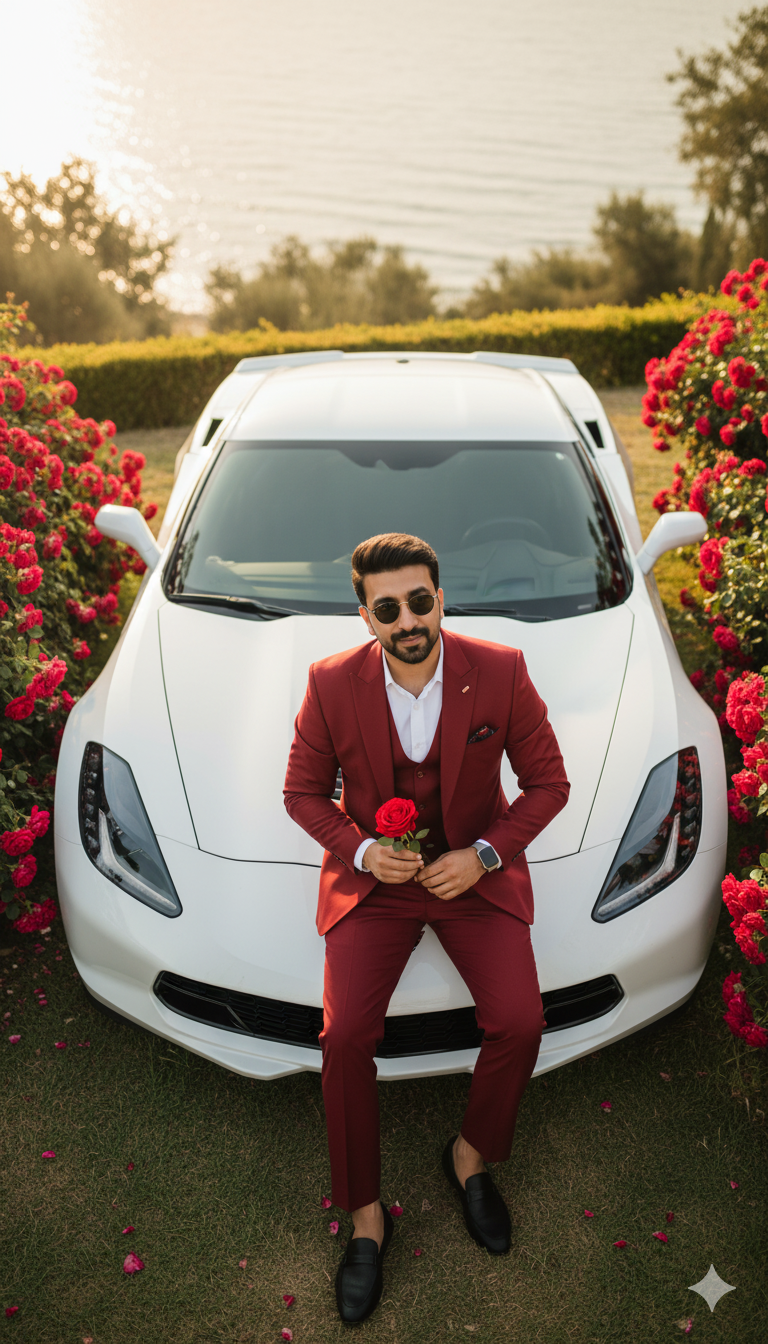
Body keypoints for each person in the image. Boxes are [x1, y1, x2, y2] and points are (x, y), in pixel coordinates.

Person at [283, 532, 570, 1324]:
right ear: (365, 616)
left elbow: (548, 783)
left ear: (440, 597)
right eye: (387, 608)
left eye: (419, 600)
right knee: (344, 1039)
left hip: (471, 876)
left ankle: (471, 1157)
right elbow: (303, 794)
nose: (407, 618)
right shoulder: (330, 683)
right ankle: (366, 1215)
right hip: (379, 884)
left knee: (520, 1020)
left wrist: (484, 854)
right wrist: (366, 851)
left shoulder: (502, 672)